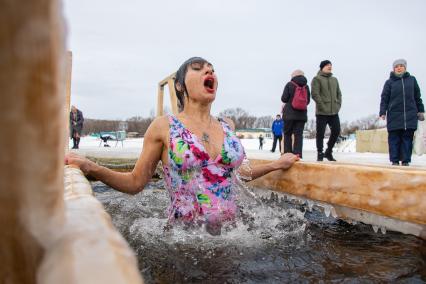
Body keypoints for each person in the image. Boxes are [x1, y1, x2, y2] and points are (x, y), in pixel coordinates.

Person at [65, 57, 299, 234]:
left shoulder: (227, 125)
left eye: (212, 69)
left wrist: (276, 164)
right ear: (179, 86)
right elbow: (135, 183)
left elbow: (239, 174)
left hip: (235, 234)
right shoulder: (163, 127)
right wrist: (91, 167)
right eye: (198, 68)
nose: (209, 71)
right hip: (185, 239)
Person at [379, 59, 424, 166]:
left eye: (401, 66)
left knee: (407, 140)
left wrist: (421, 110)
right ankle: (394, 161)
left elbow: (417, 97)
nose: (399, 68)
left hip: (410, 116)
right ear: (393, 69)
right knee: (394, 139)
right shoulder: (389, 82)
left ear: (405, 67)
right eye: (396, 66)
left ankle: (405, 161)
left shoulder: (412, 80)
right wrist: (382, 111)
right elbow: (384, 98)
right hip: (394, 115)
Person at [311, 60, 342, 162]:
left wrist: (338, 105)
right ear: (322, 67)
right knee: (320, 133)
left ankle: (328, 151)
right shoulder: (317, 79)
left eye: (331, 65)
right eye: (327, 65)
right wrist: (322, 106)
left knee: (336, 130)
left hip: (334, 112)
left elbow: (339, 94)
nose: (330, 67)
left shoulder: (335, 79)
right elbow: (315, 94)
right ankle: (320, 153)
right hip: (322, 112)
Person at [281, 69, 310, 158]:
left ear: (293, 76)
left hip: (289, 114)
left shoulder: (289, 84)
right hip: (302, 115)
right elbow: (307, 101)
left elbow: (284, 99)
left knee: (287, 134)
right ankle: (297, 154)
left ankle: (287, 154)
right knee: (298, 135)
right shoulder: (306, 86)